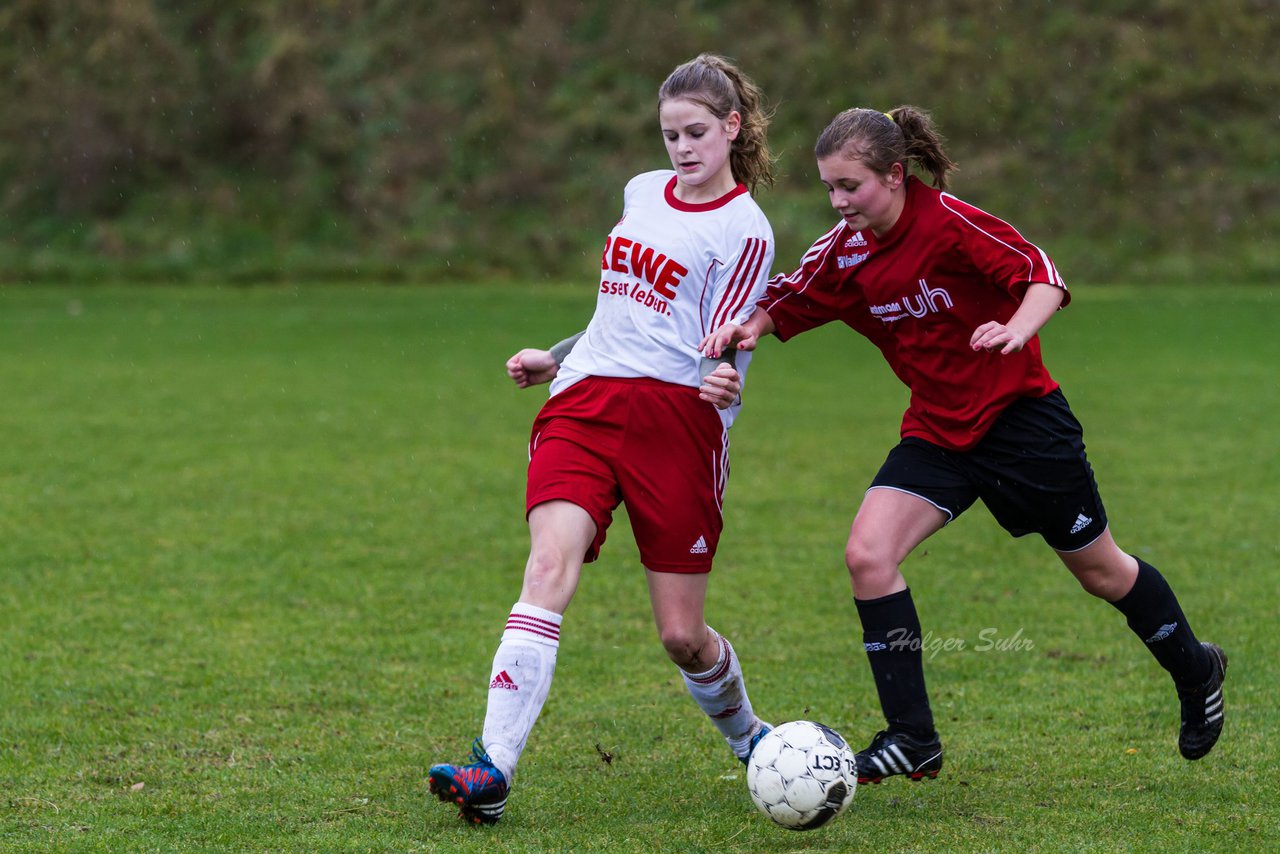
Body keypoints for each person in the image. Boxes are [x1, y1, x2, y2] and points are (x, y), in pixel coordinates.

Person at [701, 105, 1226, 784]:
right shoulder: (846, 249)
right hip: (940, 432)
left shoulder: (950, 223)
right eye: (828, 187)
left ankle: (1196, 667)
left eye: (849, 187)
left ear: (894, 176)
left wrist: (1015, 326)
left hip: (1024, 424)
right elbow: (790, 297)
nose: (837, 201)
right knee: (868, 554)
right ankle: (913, 739)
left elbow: (1042, 275)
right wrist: (748, 330)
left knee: (1101, 572)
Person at [428, 54, 778, 825]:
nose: (681, 149)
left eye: (695, 133)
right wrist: (556, 357)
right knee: (548, 565)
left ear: (730, 129)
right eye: (668, 135)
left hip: (676, 426)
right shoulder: (641, 191)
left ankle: (751, 737)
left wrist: (726, 378)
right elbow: (621, 313)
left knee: (683, 638)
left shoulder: (745, 230)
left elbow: (723, 341)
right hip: (583, 405)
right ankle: (493, 769)